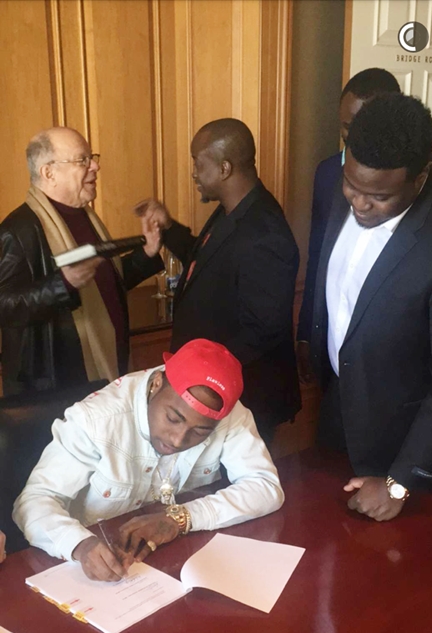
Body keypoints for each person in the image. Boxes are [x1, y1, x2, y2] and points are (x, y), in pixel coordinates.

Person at [13, 339, 284, 582]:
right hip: (88, 567)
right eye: (173, 418)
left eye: (200, 432)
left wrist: (181, 519)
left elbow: (265, 486)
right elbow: (34, 501)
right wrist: (79, 545)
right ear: (156, 383)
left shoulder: (228, 414)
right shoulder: (95, 420)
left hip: (175, 560)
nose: (178, 439)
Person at [307, 92, 432, 522]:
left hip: (402, 447)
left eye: (378, 197)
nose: (359, 203)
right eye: (352, 186)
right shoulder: (355, 176)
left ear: (419, 179)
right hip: (336, 412)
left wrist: (400, 481)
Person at [136, 118, 301, 444]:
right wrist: (167, 228)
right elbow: (206, 260)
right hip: (212, 396)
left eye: (198, 163)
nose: (194, 173)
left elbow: (262, 330)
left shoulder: (265, 232)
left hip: (242, 399)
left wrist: (200, 377)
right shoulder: (234, 210)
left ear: (224, 168)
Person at [0, 126, 163, 397]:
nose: (95, 166)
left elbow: (104, 284)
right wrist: (62, 285)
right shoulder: (18, 230)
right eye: (82, 160)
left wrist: (146, 254)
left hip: (110, 369)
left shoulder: (86, 217)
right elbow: (4, 307)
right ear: (49, 173)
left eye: (92, 157)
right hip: (57, 387)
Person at [297, 68, 401, 381]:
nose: (354, 139)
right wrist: (306, 333)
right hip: (332, 365)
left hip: (390, 377)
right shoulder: (328, 173)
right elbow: (318, 257)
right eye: (346, 128)